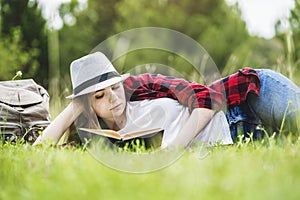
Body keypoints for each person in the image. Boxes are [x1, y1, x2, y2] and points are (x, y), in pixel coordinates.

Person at [33, 51, 300, 148]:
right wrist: (74, 106)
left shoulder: (141, 86)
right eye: (100, 96)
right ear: (88, 106)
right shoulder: (103, 140)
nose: (113, 98)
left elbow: (204, 99)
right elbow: (41, 149)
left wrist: (174, 150)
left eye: (115, 87)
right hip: (244, 135)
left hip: (251, 97)